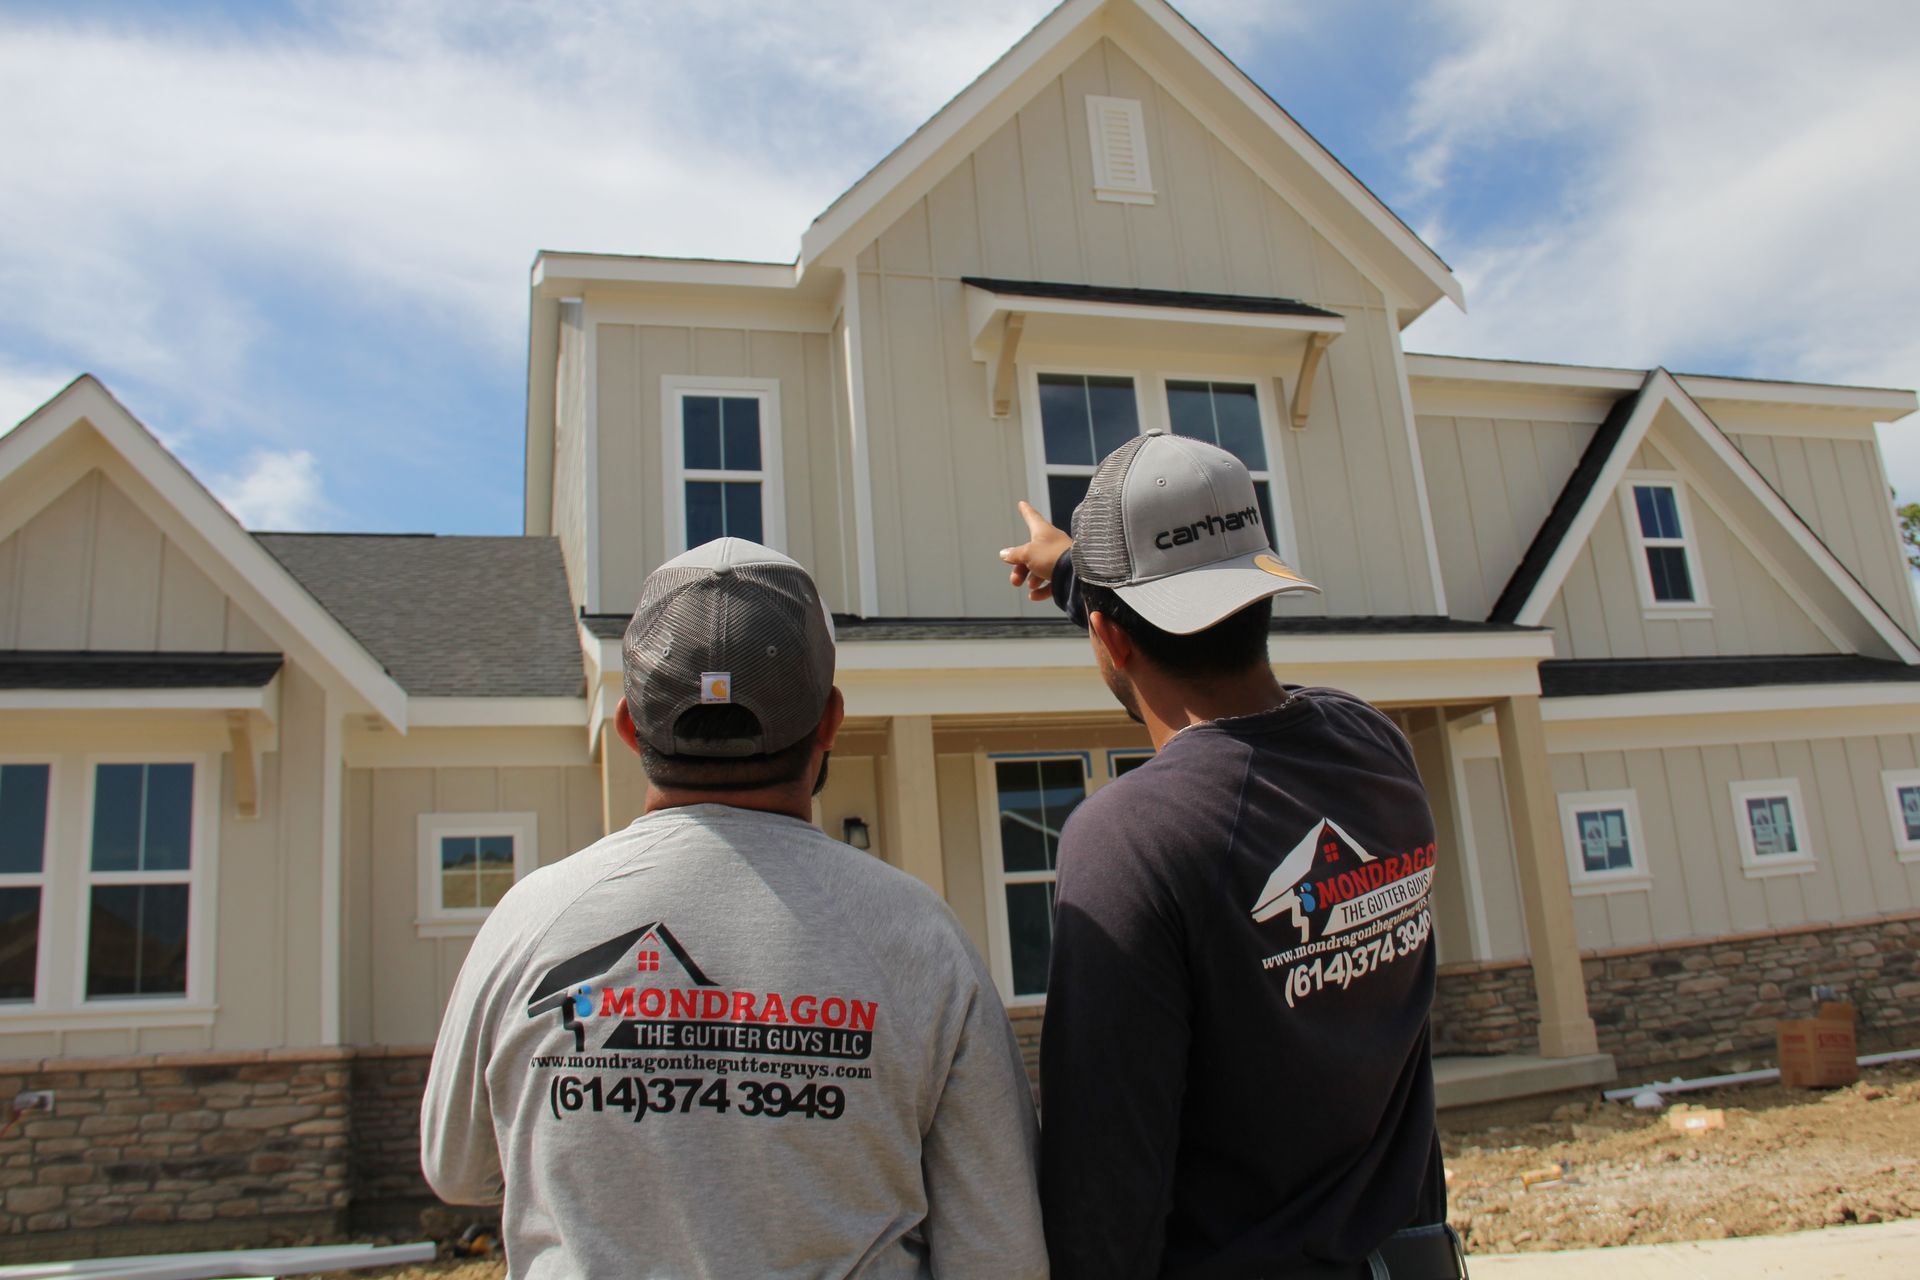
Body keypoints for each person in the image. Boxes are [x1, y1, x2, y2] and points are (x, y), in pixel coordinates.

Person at [422, 538, 1048, 1279]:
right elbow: (999, 1248)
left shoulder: (533, 919)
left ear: (628, 726)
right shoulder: (918, 935)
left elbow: (456, 1168)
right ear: (830, 721)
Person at [999, 432, 1463, 1280]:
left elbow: (1105, 1185)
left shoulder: (1130, 839)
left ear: (1108, 636)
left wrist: (1089, 585)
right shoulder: (1374, 745)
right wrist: (1079, 575)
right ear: (1263, 590)